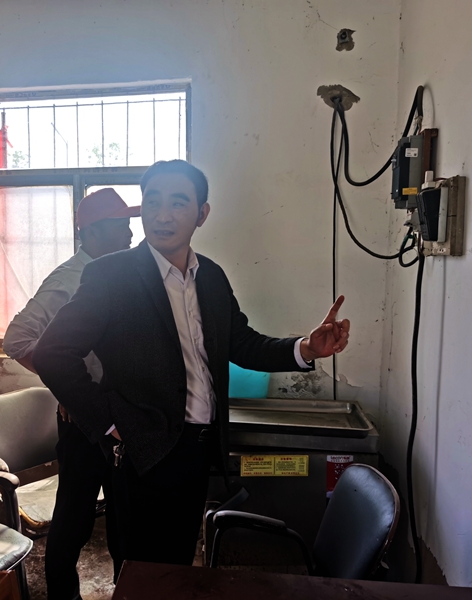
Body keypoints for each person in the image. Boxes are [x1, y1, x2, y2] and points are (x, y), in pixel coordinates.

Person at [33, 159, 351, 572]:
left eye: (178, 203)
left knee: (180, 565)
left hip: (198, 450)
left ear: (202, 213)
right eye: (153, 202)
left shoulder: (211, 277)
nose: (162, 215)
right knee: (140, 573)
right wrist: (107, 423)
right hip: (142, 450)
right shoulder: (111, 276)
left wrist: (305, 348)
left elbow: (242, 343)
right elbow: (52, 352)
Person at [3, 188, 140, 600]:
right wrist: (68, 387)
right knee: (74, 520)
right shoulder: (70, 279)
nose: (130, 235)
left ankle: (126, 591)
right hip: (85, 421)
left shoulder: (116, 274)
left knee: (124, 520)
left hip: (119, 416)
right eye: (121, 227)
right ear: (93, 233)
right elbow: (17, 338)